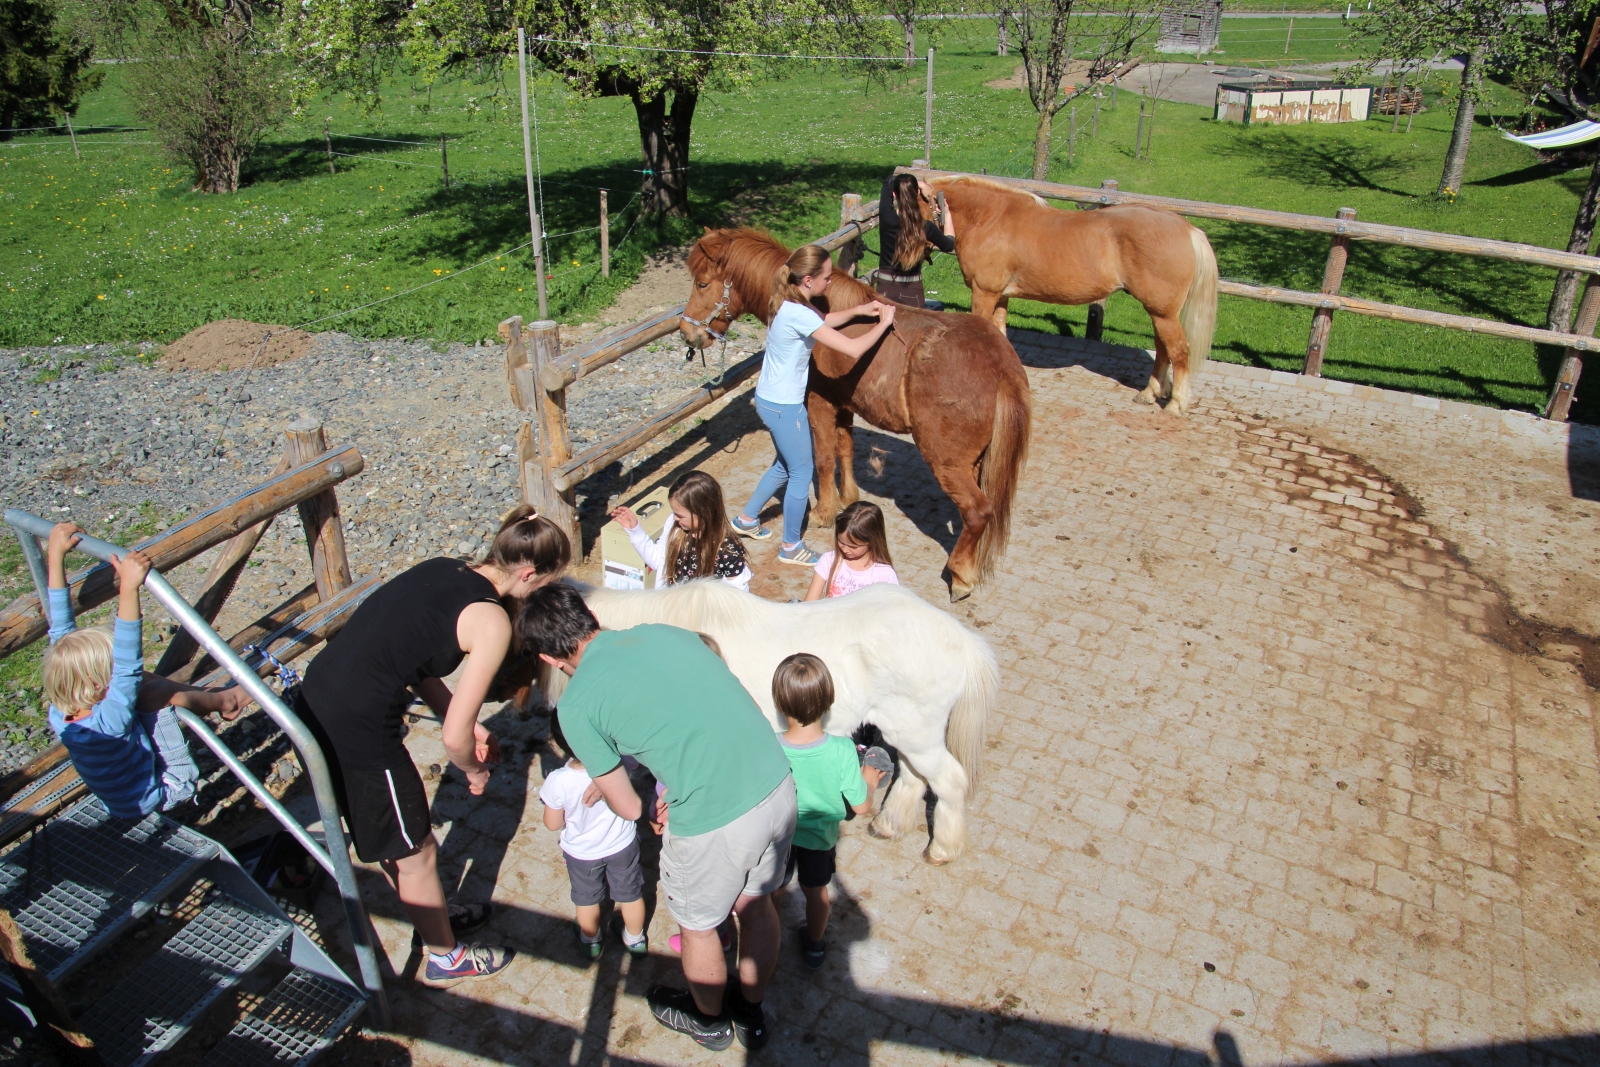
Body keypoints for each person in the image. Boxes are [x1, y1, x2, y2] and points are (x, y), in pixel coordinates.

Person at [291, 506, 570, 987]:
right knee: (415, 848)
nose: (541, 593)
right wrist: (474, 769)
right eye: (545, 582)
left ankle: (432, 917)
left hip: (317, 698)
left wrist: (462, 720)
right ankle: (445, 955)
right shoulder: (492, 622)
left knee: (394, 838)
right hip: (358, 727)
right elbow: (452, 741)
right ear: (528, 573)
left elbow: (413, 661)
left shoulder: (444, 568)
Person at [520, 584, 795, 1053]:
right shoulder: (667, 633)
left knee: (699, 925)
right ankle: (751, 1010)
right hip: (777, 783)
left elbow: (627, 807)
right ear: (588, 614)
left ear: (546, 658)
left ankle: (709, 1020)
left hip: (714, 818)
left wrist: (653, 802)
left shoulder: (576, 706)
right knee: (757, 904)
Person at [41, 523, 248, 818]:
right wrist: (129, 586)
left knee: (140, 684)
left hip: (117, 800)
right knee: (152, 690)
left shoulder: (59, 713)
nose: (116, 673)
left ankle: (215, 698)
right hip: (165, 788)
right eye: (108, 672)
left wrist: (55, 556)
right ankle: (228, 702)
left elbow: (61, 632)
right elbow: (127, 664)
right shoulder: (109, 721)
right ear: (94, 684)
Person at [732, 244, 897, 567]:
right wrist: (882, 324)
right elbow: (851, 349)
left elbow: (822, 320)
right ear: (808, 280)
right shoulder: (797, 311)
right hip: (785, 407)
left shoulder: (786, 300)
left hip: (768, 399)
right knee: (801, 471)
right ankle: (791, 546)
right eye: (825, 276)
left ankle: (746, 520)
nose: (830, 281)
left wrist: (859, 312)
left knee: (784, 464)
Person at [772, 654, 889, 970]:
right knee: (816, 892)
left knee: (773, 889)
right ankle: (814, 944)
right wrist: (871, 779)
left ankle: (766, 938)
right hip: (820, 840)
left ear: (780, 705)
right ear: (828, 703)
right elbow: (861, 806)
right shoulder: (842, 750)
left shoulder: (770, 745)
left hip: (777, 838)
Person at [539, 710, 648, 960]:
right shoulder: (620, 760)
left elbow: (552, 824)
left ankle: (591, 941)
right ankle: (635, 938)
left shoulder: (558, 780)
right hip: (623, 844)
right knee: (631, 894)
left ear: (557, 742)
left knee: (586, 899)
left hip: (583, 853)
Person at [610, 471, 752, 591]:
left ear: (703, 513)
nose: (675, 518)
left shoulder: (728, 549)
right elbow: (658, 563)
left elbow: (737, 596)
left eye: (680, 515)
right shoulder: (675, 527)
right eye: (674, 513)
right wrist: (635, 530)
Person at [871, 173, 956, 308]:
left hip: (885, 289)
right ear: (917, 192)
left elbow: (887, 182)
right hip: (913, 291)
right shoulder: (926, 227)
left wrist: (919, 184)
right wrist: (947, 214)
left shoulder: (887, 218)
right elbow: (949, 244)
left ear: (894, 194)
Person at [803, 501, 900, 601]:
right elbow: (810, 603)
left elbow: (893, 607)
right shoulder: (829, 560)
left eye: (853, 547)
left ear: (872, 541)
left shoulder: (884, 573)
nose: (845, 549)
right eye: (841, 542)